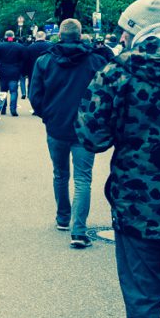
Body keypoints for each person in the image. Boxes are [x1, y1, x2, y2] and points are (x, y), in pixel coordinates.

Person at [77, 0, 160, 318]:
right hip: (140, 206)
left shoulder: (121, 70)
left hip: (141, 207)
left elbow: (91, 136)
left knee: (144, 302)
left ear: (134, 30)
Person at [29, 19, 113, 246]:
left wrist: (47, 115)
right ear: (80, 35)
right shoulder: (95, 61)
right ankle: (79, 231)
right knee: (83, 179)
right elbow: (105, 94)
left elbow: (35, 95)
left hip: (56, 126)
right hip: (85, 129)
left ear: (59, 35)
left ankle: (63, 217)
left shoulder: (44, 61)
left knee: (60, 174)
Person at [0, 29, 27, 116]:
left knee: (3, 91)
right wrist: (21, 69)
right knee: (14, 91)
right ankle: (13, 109)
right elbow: (24, 59)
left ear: (5, 36)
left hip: (2, 71)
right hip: (15, 71)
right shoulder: (20, 47)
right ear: (13, 36)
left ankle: (3, 109)